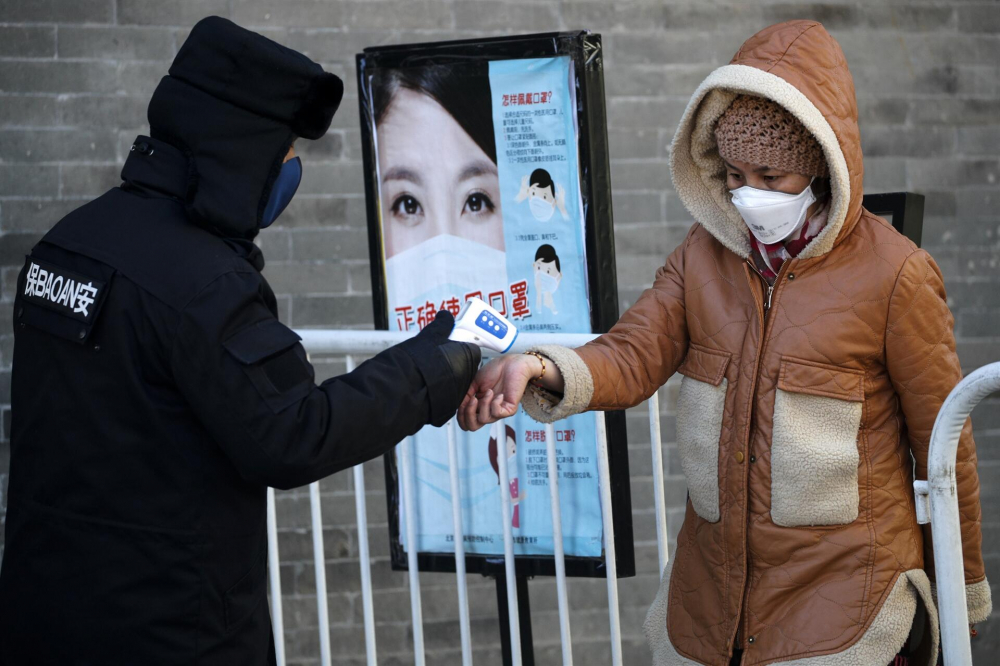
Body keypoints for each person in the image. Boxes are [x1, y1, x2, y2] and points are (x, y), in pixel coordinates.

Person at [459, 20, 990, 666]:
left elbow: (945, 443)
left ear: (821, 167)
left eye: (772, 176)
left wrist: (964, 599)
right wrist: (541, 367)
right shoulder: (701, 260)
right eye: (737, 175)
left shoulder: (896, 274)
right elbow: (633, 350)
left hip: (847, 612)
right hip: (713, 611)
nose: (751, 196)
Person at [0, 17, 480, 666]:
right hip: (173, 634)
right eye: (285, 153)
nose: (290, 171)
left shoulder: (67, 245)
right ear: (242, 150)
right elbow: (294, 435)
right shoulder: (204, 282)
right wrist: (438, 361)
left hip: (43, 620)